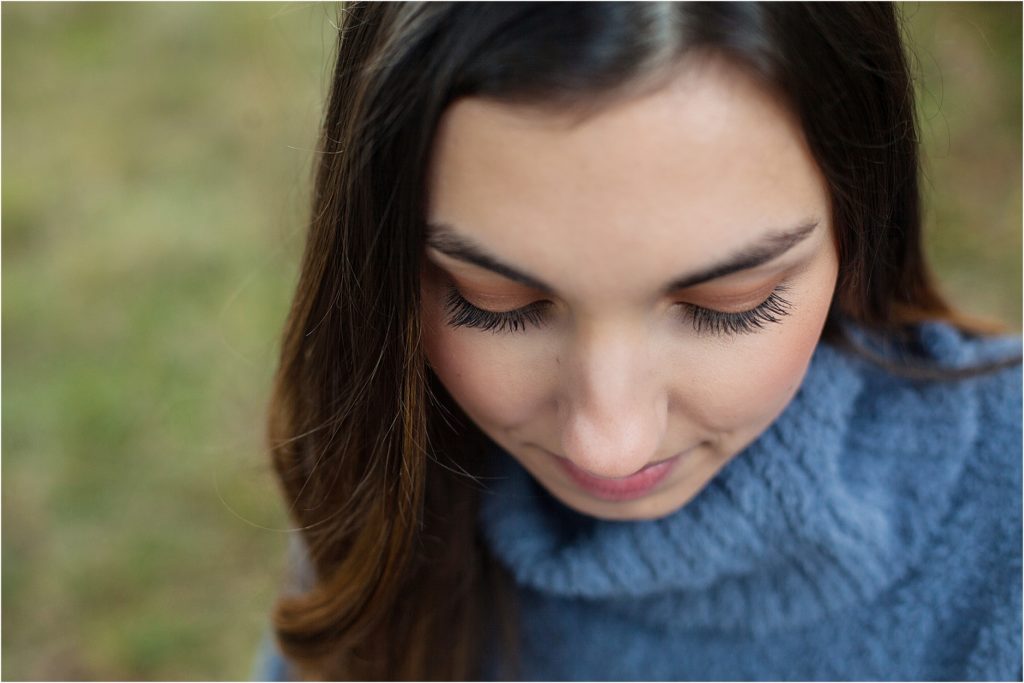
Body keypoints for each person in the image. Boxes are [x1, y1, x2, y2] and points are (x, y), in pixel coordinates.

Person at [251, 2, 1022, 680]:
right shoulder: (397, 470)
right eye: (496, 303)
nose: (608, 447)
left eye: (729, 305)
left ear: (860, 227)